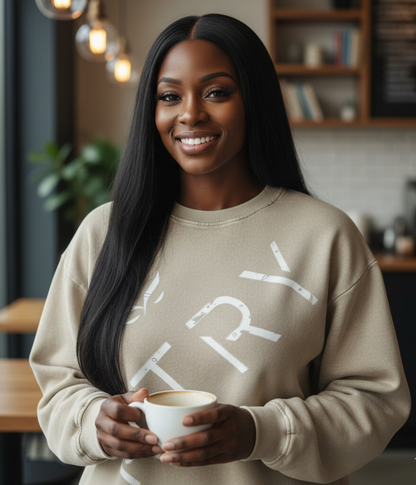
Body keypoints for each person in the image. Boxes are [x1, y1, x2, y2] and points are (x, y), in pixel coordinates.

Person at [30, 13, 410, 485]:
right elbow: (58, 383)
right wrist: (93, 423)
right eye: (169, 97)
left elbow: (376, 399)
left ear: (254, 100)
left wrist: (260, 432)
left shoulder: (326, 237)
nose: (190, 113)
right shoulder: (103, 233)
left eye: (216, 92)